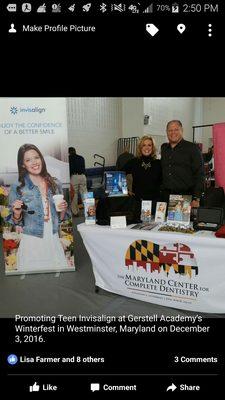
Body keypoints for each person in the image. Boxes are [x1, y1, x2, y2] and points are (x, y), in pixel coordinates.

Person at [6, 143, 69, 271]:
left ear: (41, 158)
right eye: (28, 160)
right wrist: (16, 213)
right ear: (23, 164)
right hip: (31, 242)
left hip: (53, 239)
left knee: (57, 277)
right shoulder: (18, 187)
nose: (34, 162)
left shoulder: (55, 183)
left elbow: (61, 218)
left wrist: (62, 210)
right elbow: (14, 221)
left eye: (36, 157)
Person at [161, 120, 204, 208]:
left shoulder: (192, 148)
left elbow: (200, 173)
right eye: (170, 130)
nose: (173, 132)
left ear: (182, 130)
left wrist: (197, 198)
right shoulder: (164, 148)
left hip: (186, 197)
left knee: (184, 222)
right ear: (166, 132)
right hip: (166, 197)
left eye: (176, 129)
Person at [122, 136, 162, 213]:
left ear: (153, 147)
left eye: (149, 145)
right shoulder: (133, 162)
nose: (147, 147)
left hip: (154, 203)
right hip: (137, 203)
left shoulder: (159, 163)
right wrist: (125, 190)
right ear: (140, 147)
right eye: (144, 145)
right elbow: (119, 174)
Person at [69, 147, 87, 216]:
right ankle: (88, 210)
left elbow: (70, 169)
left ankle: (75, 212)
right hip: (83, 176)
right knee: (84, 193)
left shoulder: (69, 158)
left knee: (74, 194)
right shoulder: (81, 158)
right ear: (75, 151)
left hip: (74, 177)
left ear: (69, 152)